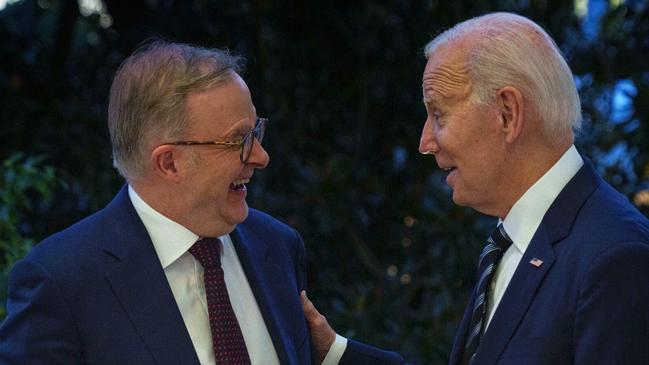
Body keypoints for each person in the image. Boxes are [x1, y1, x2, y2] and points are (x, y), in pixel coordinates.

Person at [302, 12, 649, 365]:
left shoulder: (617, 259)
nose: (425, 143)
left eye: (439, 114)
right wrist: (335, 354)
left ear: (507, 113)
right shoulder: (515, 238)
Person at [0, 41, 336, 365]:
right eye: (239, 140)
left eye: (256, 132)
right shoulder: (62, 281)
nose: (261, 156)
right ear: (169, 163)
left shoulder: (278, 246)